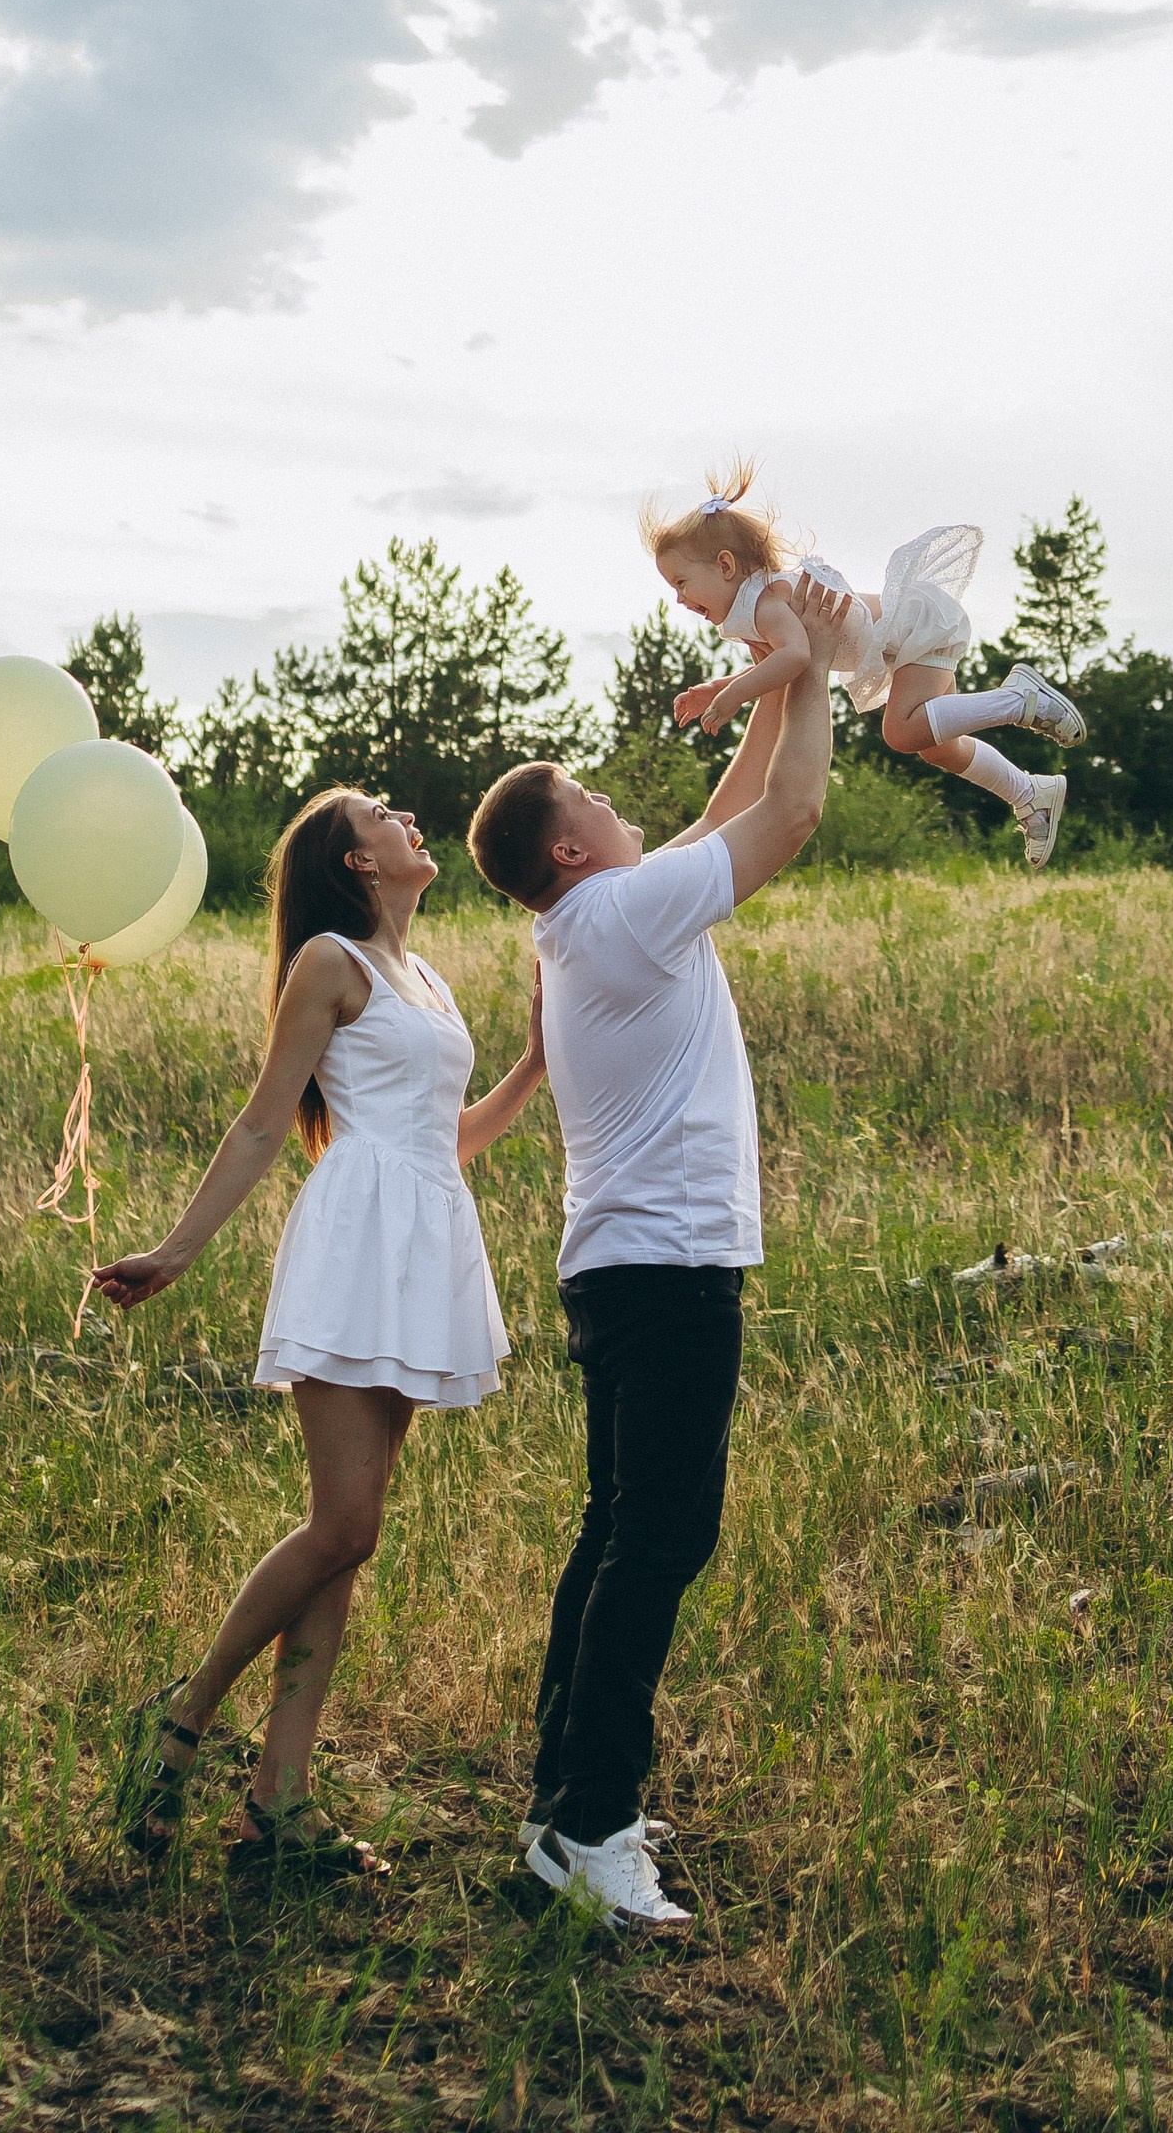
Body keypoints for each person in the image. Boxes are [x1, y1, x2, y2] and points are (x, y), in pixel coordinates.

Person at [465, 568, 850, 1931]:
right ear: (571, 848)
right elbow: (792, 813)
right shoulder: (624, 913)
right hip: (669, 1267)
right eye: (595, 801)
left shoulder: (587, 920)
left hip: (619, 1265)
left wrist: (781, 675)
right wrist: (799, 673)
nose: (621, 808)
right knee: (662, 1537)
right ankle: (591, 1826)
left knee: (615, 1533)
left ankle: (561, 1801)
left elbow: (724, 816)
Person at [90, 787, 546, 1870]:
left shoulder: (424, 978)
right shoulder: (331, 963)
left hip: (424, 1240)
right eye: (384, 814)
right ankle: (181, 1720)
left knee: (352, 1537)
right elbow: (263, 1119)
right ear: (354, 861)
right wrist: (179, 1249)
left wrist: (533, 1061)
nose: (408, 818)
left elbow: (449, 1136)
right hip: (357, 1241)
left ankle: (277, 1805)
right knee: (342, 1528)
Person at [644, 459, 1085, 869]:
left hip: (915, 626)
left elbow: (796, 657)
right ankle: (1029, 792)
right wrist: (719, 687)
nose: (680, 599)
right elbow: (780, 661)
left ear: (725, 565)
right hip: (907, 639)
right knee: (936, 745)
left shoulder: (767, 600)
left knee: (902, 731)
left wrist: (734, 696)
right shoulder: (751, 610)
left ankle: (1016, 700)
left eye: (682, 583)